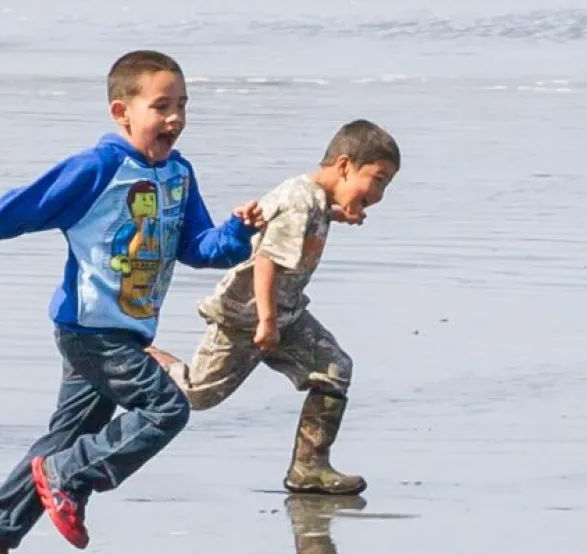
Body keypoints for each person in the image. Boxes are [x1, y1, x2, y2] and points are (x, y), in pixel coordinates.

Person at [0, 49, 265, 554]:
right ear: (121, 112)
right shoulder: (98, 168)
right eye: (161, 105)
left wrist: (238, 233)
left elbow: (197, 247)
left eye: (183, 106)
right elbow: (24, 205)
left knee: (71, 433)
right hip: (90, 329)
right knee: (166, 408)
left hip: (127, 332)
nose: (175, 118)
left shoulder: (179, 175)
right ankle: (69, 477)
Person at [146, 119, 401, 496]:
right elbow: (266, 260)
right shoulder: (300, 201)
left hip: (286, 312)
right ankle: (144, 358)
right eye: (377, 179)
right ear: (344, 165)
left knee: (334, 368)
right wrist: (266, 320)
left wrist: (336, 215)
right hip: (247, 316)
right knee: (198, 394)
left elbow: (300, 219)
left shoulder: (313, 200)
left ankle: (308, 467)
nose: (379, 193)